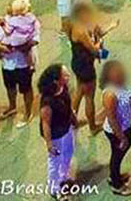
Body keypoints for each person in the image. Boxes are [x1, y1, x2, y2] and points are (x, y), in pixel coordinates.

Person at [68, 2, 118, 133]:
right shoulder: (80, 30)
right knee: (89, 96)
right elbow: (94, 49)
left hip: (79, 64)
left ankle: (71, 122)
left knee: (79, 92)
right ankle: (92, 126)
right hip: (84, 67)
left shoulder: (85, 26)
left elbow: (99, 34)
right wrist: (102, 48)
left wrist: (110, 27)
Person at [0, 0, 40, 127]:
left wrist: (21, 47)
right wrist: (1, 47)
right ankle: (12, 107)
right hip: (8, 63)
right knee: (10, 87)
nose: (8, 8)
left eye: (11, 5)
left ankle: (28, 112)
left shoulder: (32, 21)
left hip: (23, 63)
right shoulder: (6, 20)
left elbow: (35, 38)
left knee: (26, 88)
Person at [38, 64, 77, 200]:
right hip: (55, 135)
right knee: (55, 161)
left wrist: (73, 117)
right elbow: (46, 123)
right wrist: (49, 143)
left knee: (68, 152)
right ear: (56, 80)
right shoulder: (48, 101)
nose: (68, 76)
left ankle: (64, 177)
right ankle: (54, 189)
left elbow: (68, 104)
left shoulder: (63, 88)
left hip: (66, 128)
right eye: (65, 75)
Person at [100, 59, 131, 196]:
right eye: (117, 73)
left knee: (121, 152)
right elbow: (112, 118)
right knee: (117, 155)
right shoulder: (110, 94)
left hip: (126, 125)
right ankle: (116, 184)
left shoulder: (124, 86)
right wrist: (121, 137)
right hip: (117, 131)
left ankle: (114, 175)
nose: (121, 74)